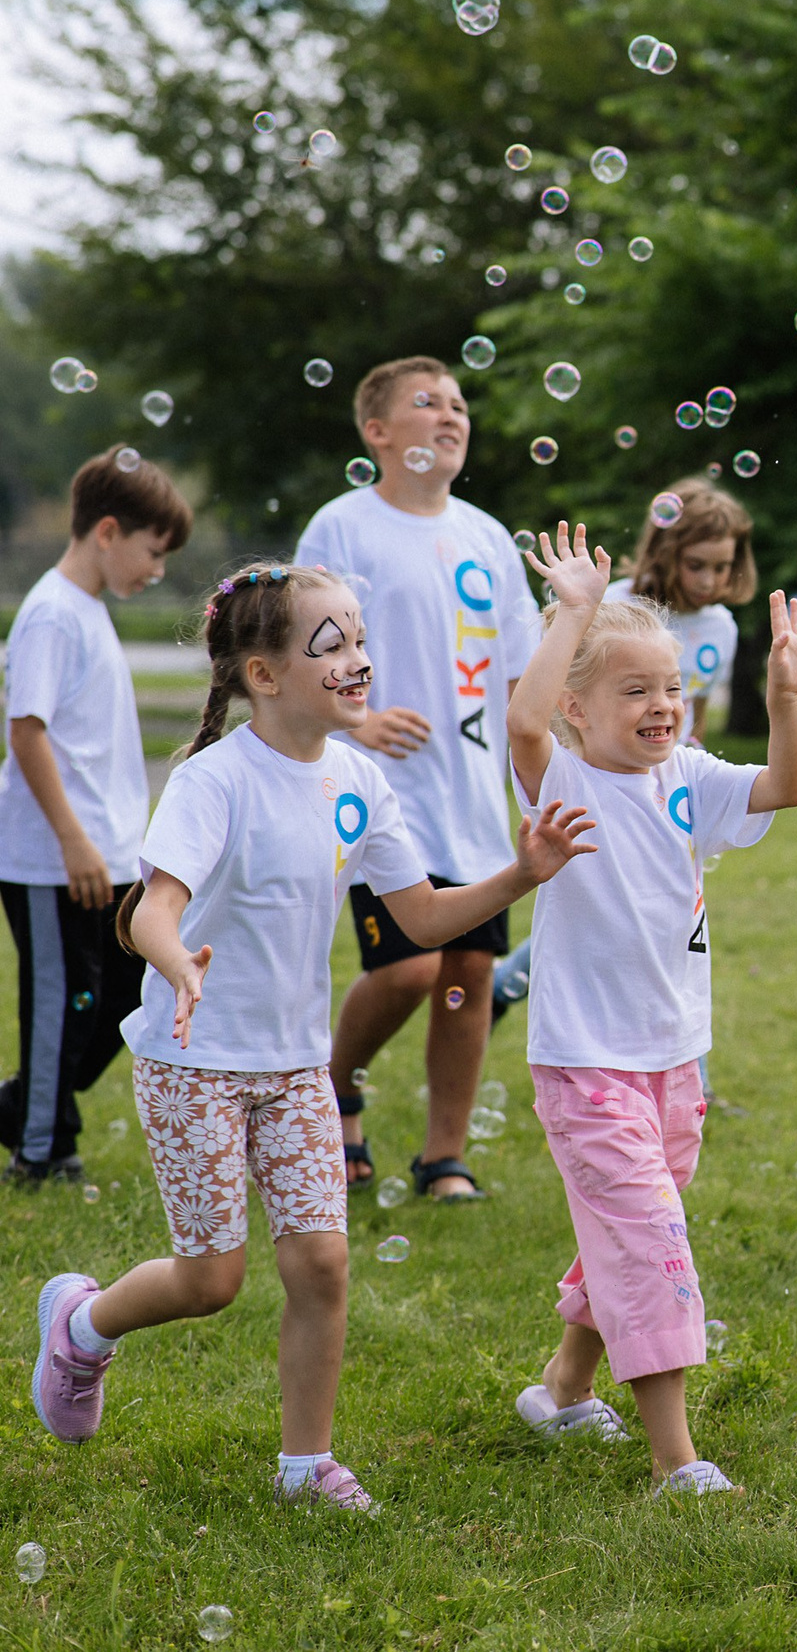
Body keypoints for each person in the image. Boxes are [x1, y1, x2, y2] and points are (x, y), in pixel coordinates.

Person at [29, 563, 589, 1510]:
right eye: (332, 645)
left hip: (295, 1066)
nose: (361, 659)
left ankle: (305, 1465)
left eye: (362, 639)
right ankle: (82, 1325)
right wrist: (178, 964)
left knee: (322, 1262)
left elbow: (419, 918)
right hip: (192, 1059)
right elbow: (153, 907)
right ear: (264, 674)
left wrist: (520, 874)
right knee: (212, 1278)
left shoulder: (361, 779)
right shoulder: (214, 781)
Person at [503, 523, 797, 1495]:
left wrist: (782, 700)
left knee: (632, 1226)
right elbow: (519, 722)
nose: (661, 706)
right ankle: (676, 1459)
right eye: (634, 690)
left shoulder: (687, 780)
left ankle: (560, 1391)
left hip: (674, 1061)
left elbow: (788, 787)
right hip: (587, 1062)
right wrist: (575, 611)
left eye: (670, 689)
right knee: (648, 1242)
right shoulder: (567, 778)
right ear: (577, 710)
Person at [295, 355, 541, 1197]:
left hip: (473, 798)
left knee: (469, 975)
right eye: (427, 402)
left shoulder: (485, 537)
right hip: (377, 794)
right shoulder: (342, 526)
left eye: (460, 403)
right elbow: (299, 644)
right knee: (407, 968)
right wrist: (358, 718)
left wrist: (541, 784)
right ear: (378, 433)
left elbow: (521, 680)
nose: (451, 415)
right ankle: (332, 1083)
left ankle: (445, 1152)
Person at [490, 478, 757, 1023]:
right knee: (604, 907)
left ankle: (677, 1049)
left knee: (663, 911)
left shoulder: (724, 628)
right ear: (667, 552)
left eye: (723, 567)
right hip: (601, 783)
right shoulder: (614, 603)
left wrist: (683, 763)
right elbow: (555, 705)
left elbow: (695, 706)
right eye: (698, 564)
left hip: (667, 785)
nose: (711, 580)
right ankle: (508, 985)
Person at [0, 446, 192, 1181]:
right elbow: (27, 730)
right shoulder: (52, 613)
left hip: (108, 855)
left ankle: (25, 1105)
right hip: (54, 858)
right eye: (154, 550)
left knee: (115, 992)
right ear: (108, 531)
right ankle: (43, 1150)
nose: (158, 569)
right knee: (57, 1002)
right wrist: (73, 839)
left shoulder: (87, 611)